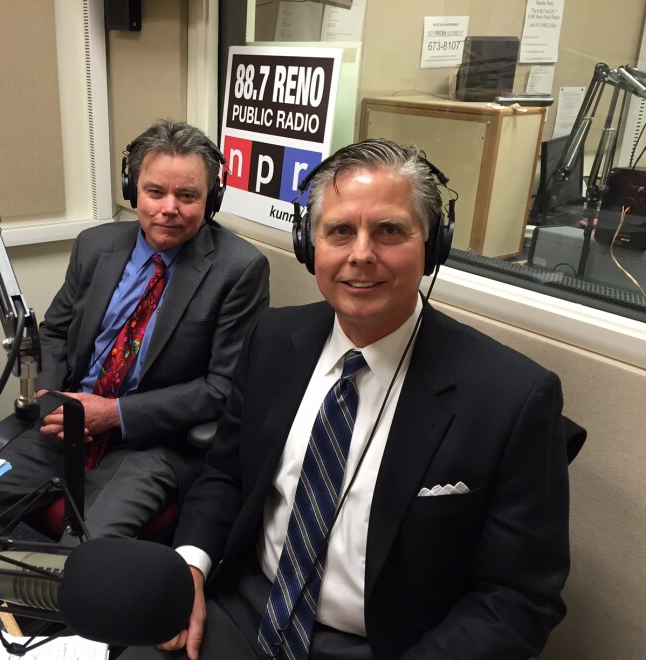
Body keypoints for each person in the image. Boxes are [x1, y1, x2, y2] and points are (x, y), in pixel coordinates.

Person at [122, 138, 570, 659]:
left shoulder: (513, 396)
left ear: (433, 245)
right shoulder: (271, 340)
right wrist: (192, 566)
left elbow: (519, 598)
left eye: (390, 231)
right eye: (339, 231)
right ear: (309, 246)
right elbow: (224, 474)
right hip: (245, 610)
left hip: (388, 646)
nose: (361, 254)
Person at [0, 120, 270, 541]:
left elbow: (221, 388)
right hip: (70, 419)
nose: (168, 207)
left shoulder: (240, 270)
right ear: (132, 189)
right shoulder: (94, 246)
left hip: (153, 443)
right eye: (155, 191)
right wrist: (49, 396)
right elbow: (54, 333)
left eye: (187, 195)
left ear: (211, 201)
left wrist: (113, 415)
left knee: (85, 551)